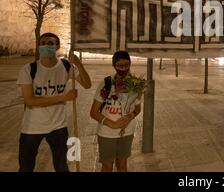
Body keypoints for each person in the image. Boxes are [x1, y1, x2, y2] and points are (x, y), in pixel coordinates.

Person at [16, 32, 92, 172]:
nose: (46, 46)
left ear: (57, 46)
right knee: (26, 167)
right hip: (31, 127)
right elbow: (30, 101)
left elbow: (87, 84)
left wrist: (78, 64)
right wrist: (63, 97)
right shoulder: (28, 69)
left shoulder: (65, 66)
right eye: (42, 43)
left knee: (62, 166)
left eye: (50, 43)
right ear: (39, 47)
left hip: (58, 126)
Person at [90, 51, 142, 172]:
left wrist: (130, 116)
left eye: (126, 64)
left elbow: (138, 108)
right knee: (107, 166)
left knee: (122, 164)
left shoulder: (136, 84)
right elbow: (93, 112)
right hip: (107, 133)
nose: (123, 68)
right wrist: (113, 124)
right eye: (119, 65)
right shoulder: (107, 84)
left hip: (127, 132)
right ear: (114, 66)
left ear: (130, 64)